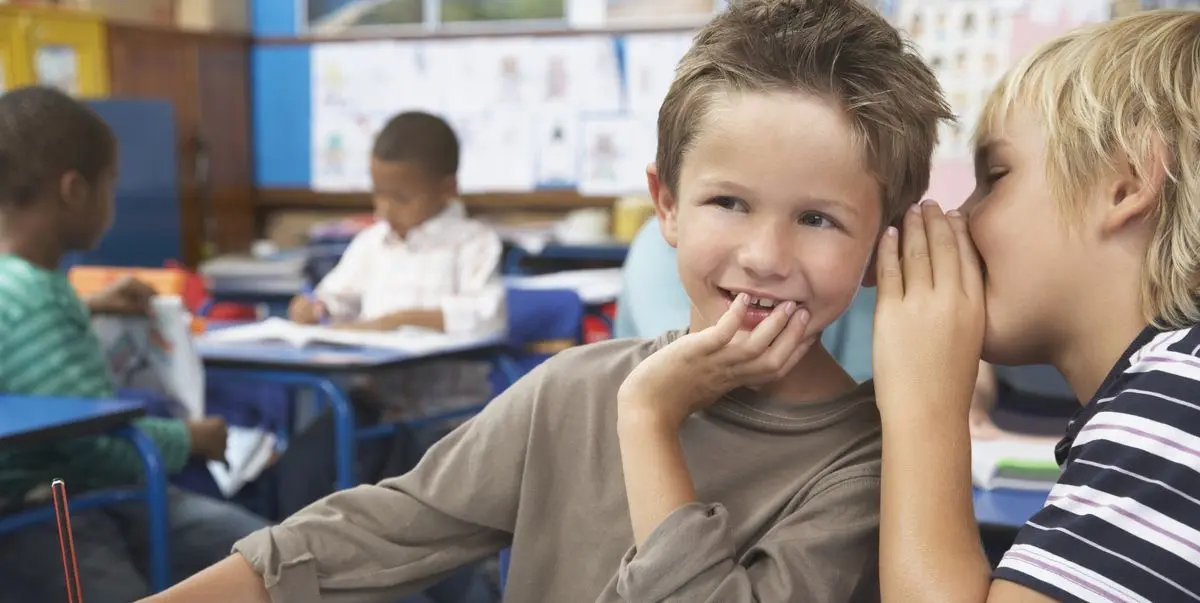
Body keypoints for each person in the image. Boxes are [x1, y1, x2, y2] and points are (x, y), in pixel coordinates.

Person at [145, 1, 951, 601]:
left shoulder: (871, 462)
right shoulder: (573, 391)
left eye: (817, 219)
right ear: (665, 204)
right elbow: (376, 529)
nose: (765, 256)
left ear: (883, 242)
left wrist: (649, 416)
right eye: (728, 203)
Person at [872, 10, 1200, 602]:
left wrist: (923, 402)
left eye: (995, 177)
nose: (959, 218)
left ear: (1126, 183)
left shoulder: (1180, 397)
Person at [0, 85, 268, 603]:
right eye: (111, 185)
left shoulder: (21, 288)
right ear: (74, 190)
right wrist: (190, 438)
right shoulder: (37, 299)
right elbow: (94, 448)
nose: (112, 201)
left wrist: (89, 305)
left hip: (55, 500)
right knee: (263, 557)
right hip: (46, 511)